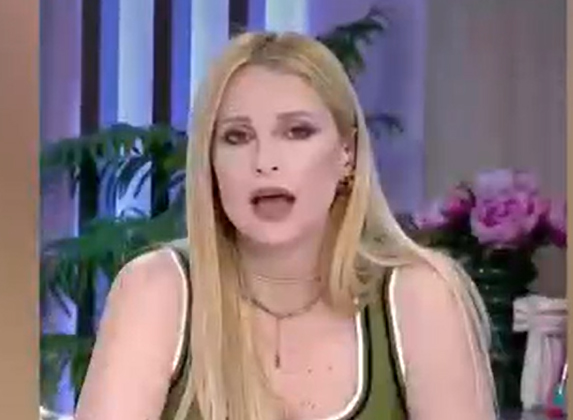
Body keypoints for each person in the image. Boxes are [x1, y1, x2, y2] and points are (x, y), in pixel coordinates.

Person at [74, 31, 497, 420]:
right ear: (210, 162)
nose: (265, 162)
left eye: (297, 132)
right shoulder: (156, 290)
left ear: (346, 154)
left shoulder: (420, 298)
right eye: (237, 137)